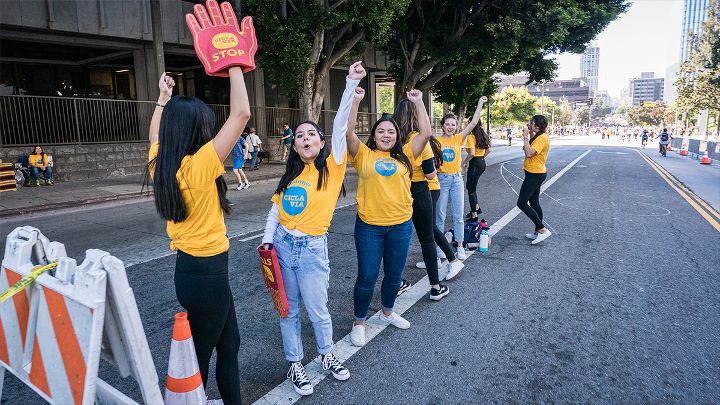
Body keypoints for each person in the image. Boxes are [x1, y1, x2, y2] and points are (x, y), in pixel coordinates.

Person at [259, 62, 365, 396]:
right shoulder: (290, 176)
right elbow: (275, 208)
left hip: (312, 249)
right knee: (287, 310)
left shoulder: (333, 168)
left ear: (321, 143)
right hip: (281, 245)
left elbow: (338, 127)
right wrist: (266, 242)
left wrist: (350, 84)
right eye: (300, 136)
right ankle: (294, 364)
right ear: (295, 146)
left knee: (318, 310)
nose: (305, 138)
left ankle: (326, 355)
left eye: (311, 135)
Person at [145, 68, 249, 404]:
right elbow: (242, 114)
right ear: (195, 129)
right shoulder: (197, 166)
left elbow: (153, 136)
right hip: (207, 274)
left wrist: (163, 98)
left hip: (196, 272)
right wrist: (235, 65)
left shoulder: (161, 164)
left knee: (228, 344)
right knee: (200, 358)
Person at [347, 88, 432, 347]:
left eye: (391, 131)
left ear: (397, 136)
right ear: (374, 135)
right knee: (367, 276)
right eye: (381, 131)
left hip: (400, 225)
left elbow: (426, 133)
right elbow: (348, 133)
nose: (386, 135)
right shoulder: (363, 154)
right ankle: (359, 322)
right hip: (369, 227)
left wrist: (418, 103)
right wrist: (356, 100)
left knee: (394, 275)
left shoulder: (407, 154)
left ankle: (387, 311)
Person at [394, 97, 459, 300]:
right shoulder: (420, 139)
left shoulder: (392, 137)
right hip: (420, 189)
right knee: (427, 239)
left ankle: (396, 283)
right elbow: (431, 172)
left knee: (394, 240)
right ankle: (435, 286)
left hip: (396, 189)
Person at [435, 96, 487, 261]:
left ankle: (459, 246)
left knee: (458, 216)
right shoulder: (435, 141)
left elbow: (472, 123)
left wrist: (479, 104)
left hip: (457, 179)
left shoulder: (459, 139)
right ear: (442, 125)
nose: (450, 127)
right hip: (441, 180)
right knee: (440, 216)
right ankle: (439, 248)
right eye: (447, 124)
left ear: (456, 126)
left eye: (453, 124)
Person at [519, 115, 552, 245]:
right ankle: (538, 232)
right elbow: (525, 148)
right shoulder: (539, 136)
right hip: (534, 172)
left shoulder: (542, 138)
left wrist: (526, 136)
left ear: (537, 125)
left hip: (535, 173)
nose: (529, 124)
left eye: (531, 123)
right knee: (534, 202)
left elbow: (528, 153)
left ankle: (542, 229)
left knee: (521, 203)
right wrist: (530, 134)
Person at [463, 120, 491, 220]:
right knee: (471, 187)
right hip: (482, 162)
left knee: (470, 189)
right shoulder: (483, 134)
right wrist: (481, 158)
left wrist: (464, 162)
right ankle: (476, 207)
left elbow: (471, 153)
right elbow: (489, 150)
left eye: (468, 123)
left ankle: (474, 214)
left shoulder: (471, 136)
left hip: (475, 163)